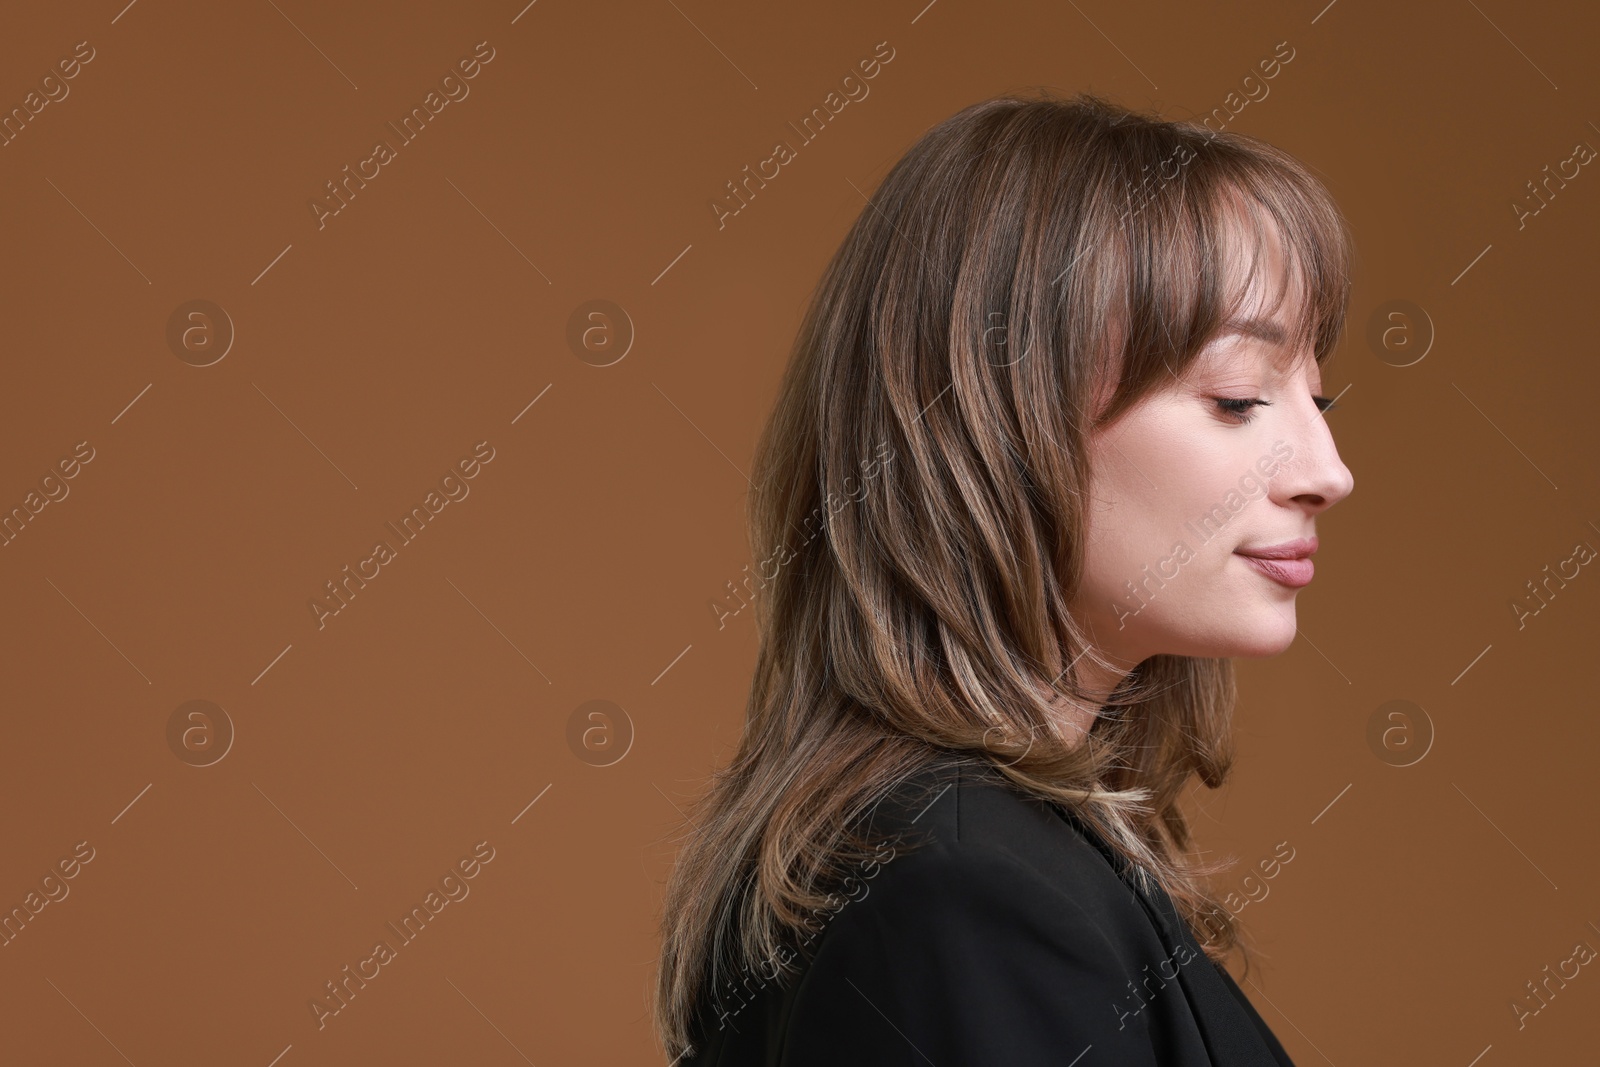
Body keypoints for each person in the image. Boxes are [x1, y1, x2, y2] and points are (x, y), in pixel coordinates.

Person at [653, 89, 1355, 1065]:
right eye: (1239, 397)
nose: (1327, 470)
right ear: (999, 421)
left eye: (1316, 398)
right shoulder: (965, 895)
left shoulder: (979, 861)